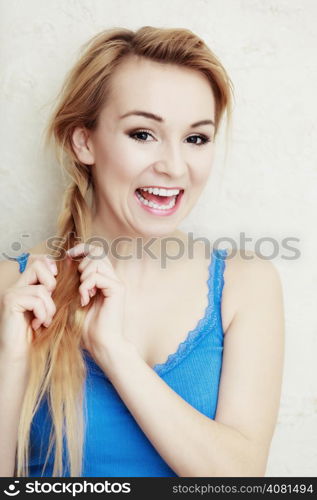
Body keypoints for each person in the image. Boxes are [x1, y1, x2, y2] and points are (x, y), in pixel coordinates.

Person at [0, 26, 285, 478]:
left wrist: (114, 353)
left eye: (196, 139)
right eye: (143, 134)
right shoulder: (11, 287)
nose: (173, 166)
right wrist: (12, 361)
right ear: (84, 141)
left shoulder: (245, 284)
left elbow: (241, 479)